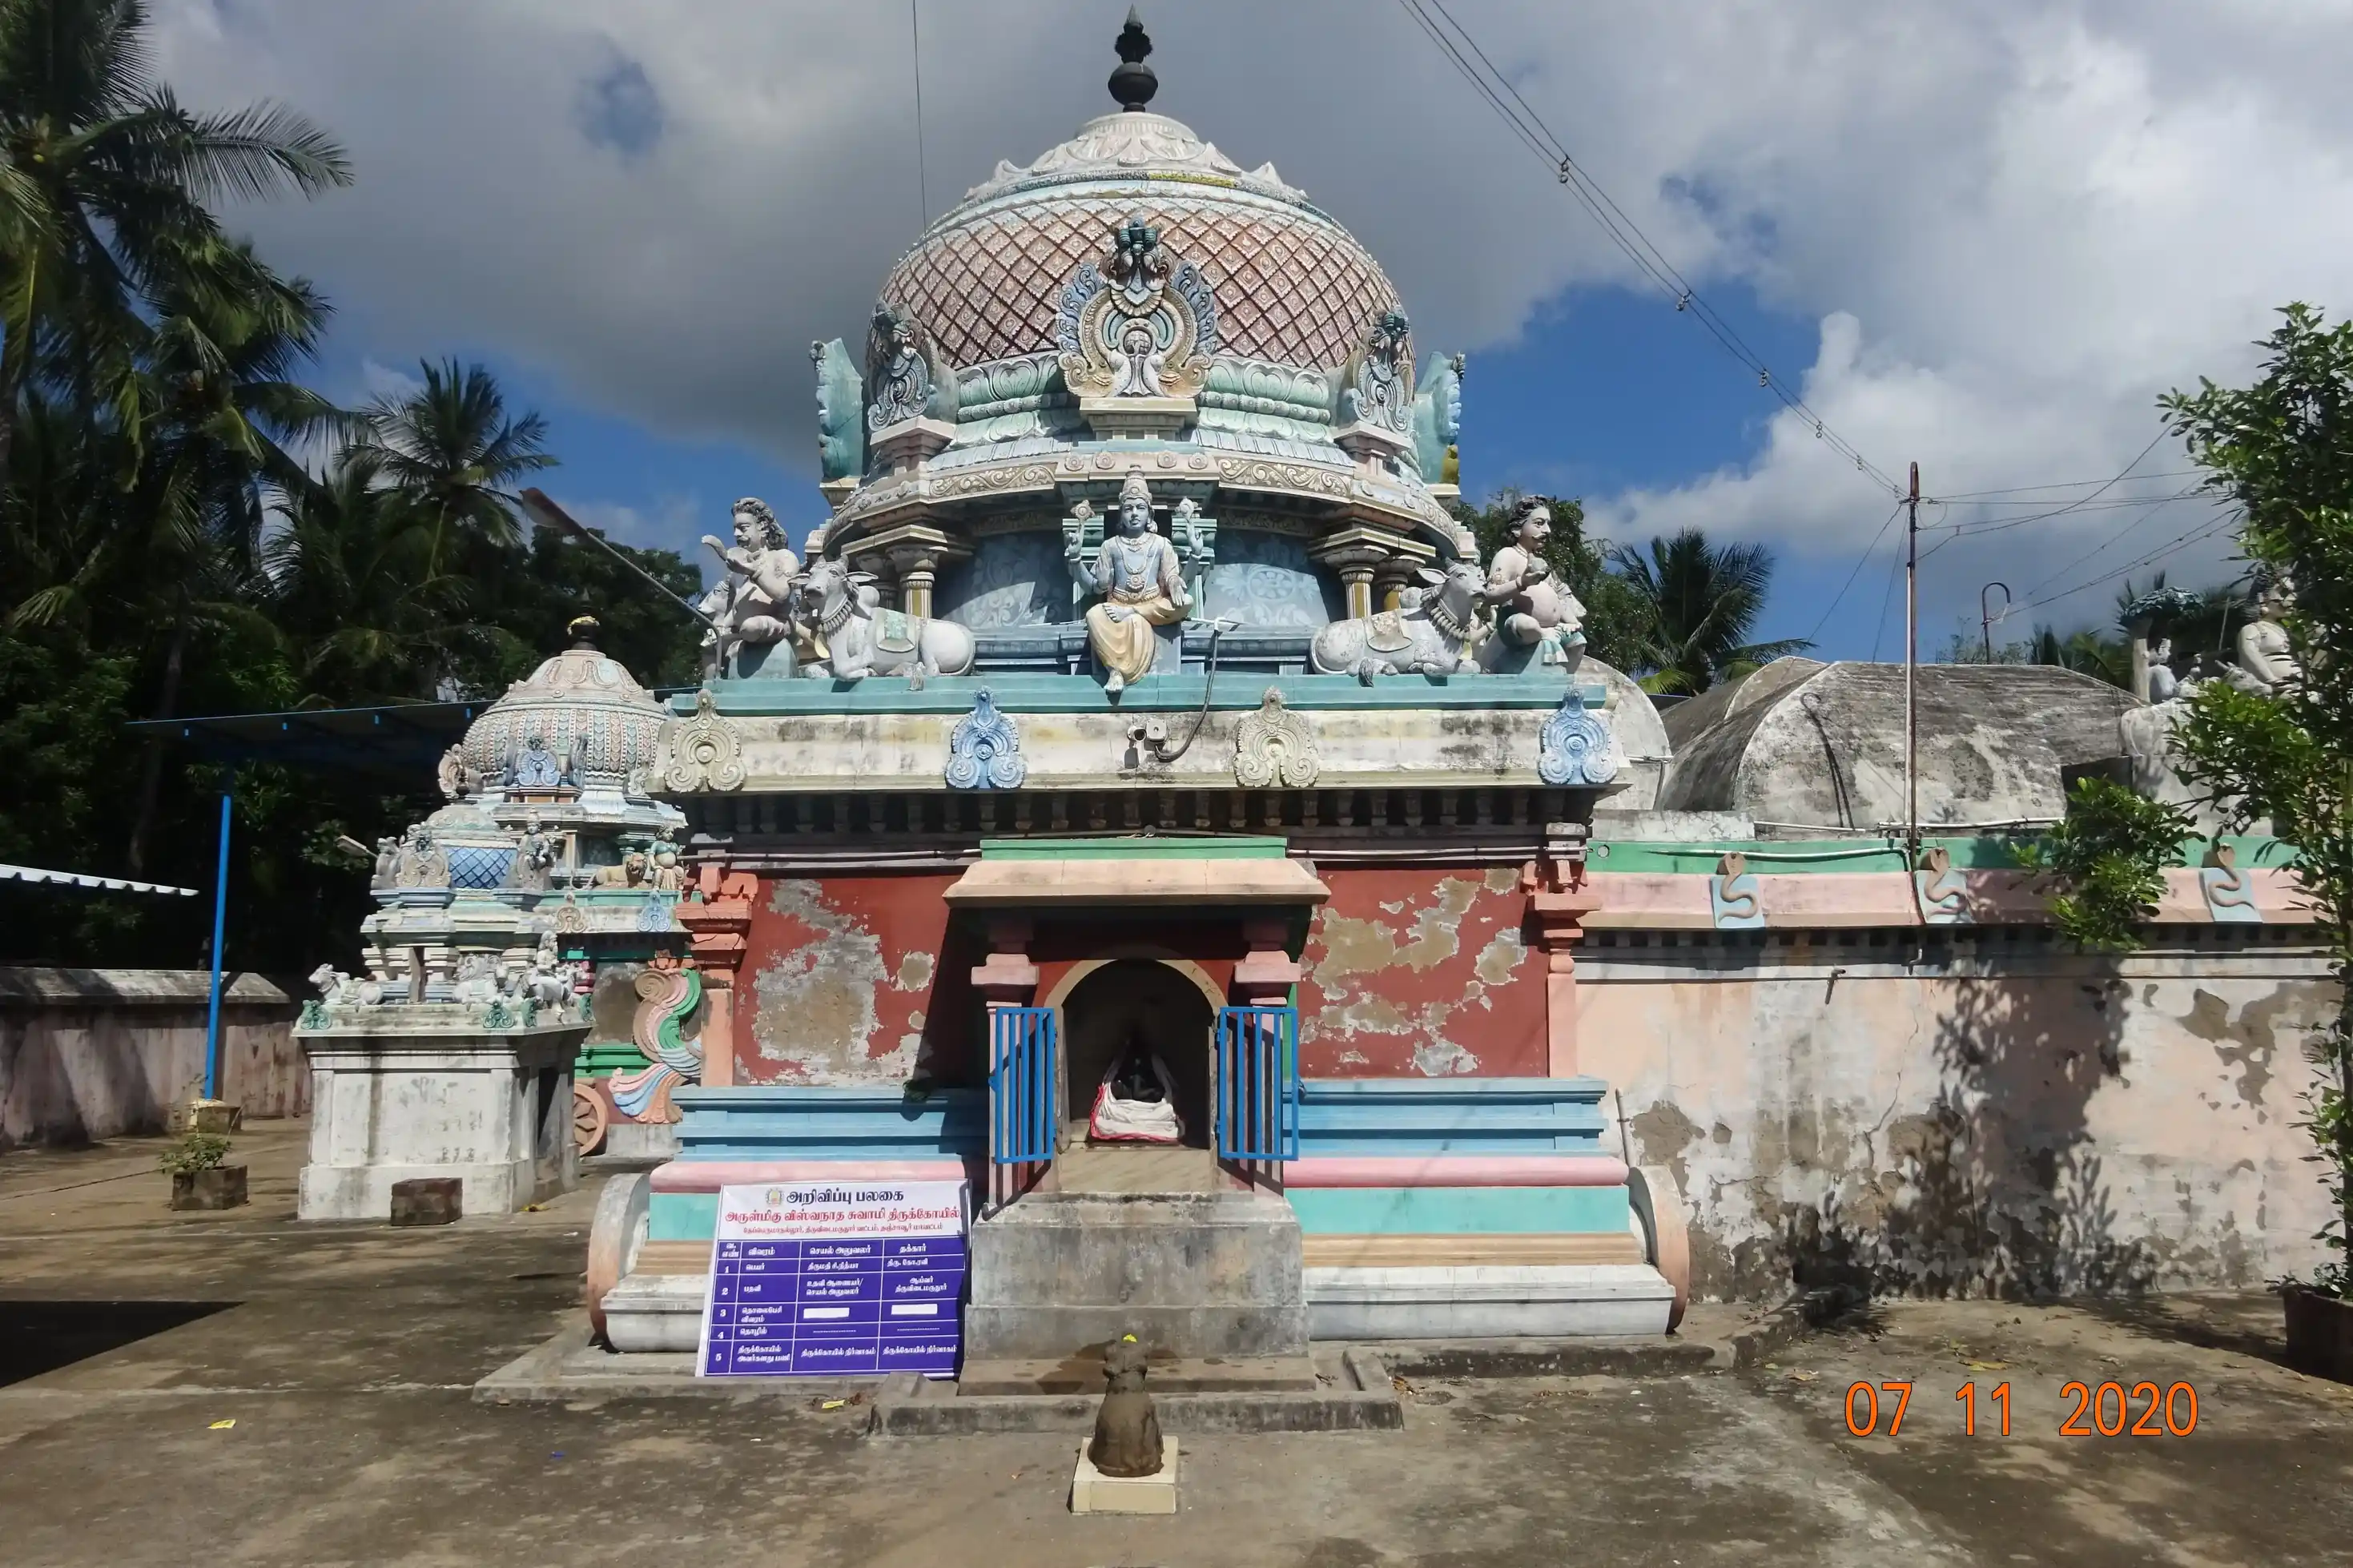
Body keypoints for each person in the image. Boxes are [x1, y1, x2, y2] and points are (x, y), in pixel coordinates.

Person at [1074, 468, 1189, 694]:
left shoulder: (1160, 544)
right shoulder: (1111, 546)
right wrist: (1076, 560)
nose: (1134, 514)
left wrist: (1175, 582)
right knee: (1093, 615)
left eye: (1140, 508)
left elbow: (1170, 576)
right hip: (1117, 606)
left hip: (1150, 605)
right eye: (1128, 509)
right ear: (1121, 515)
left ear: (1150, 514)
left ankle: (1135, 613)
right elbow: (1095, 586)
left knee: (1186, 601)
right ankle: (1116, 671)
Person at [1089, 1031, 1183, 1144]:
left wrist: (1154, 1092)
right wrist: (1151, 1091)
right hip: (1132, 1096)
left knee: (1166, 1109)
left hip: (1144, 1099)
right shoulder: (1130, 1069)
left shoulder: (1149, 1065)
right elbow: (1136, 1093)